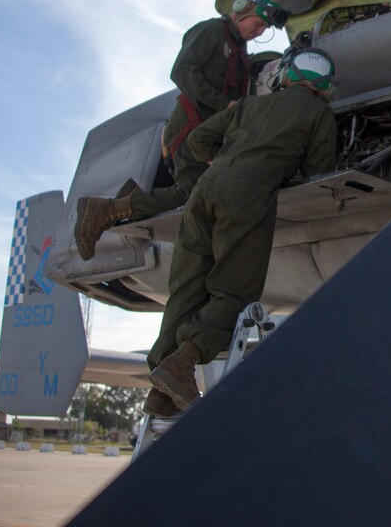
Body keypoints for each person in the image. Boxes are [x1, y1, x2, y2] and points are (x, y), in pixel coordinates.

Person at [143, 48, 337, 416]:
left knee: (185, 291)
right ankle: (184, 361)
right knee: (235, 289)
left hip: (204, 191)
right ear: (324, 86)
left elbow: (198, 139)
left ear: (286, 77)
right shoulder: (319, 113)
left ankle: (160, 391)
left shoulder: (249, 106)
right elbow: (319, 168)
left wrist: (228, 162)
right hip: (247, 196)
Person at [74, 0, 284, 260]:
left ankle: (130, 199)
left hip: (208, 132)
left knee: (202, 190)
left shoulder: (239, 49)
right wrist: (225, 105)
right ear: (242, 10)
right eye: (258, 24)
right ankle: (104, 210)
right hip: (190, 127)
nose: (259, 31)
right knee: (191, 193)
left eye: (264, 28)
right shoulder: (212, 31)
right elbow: (182, 71)